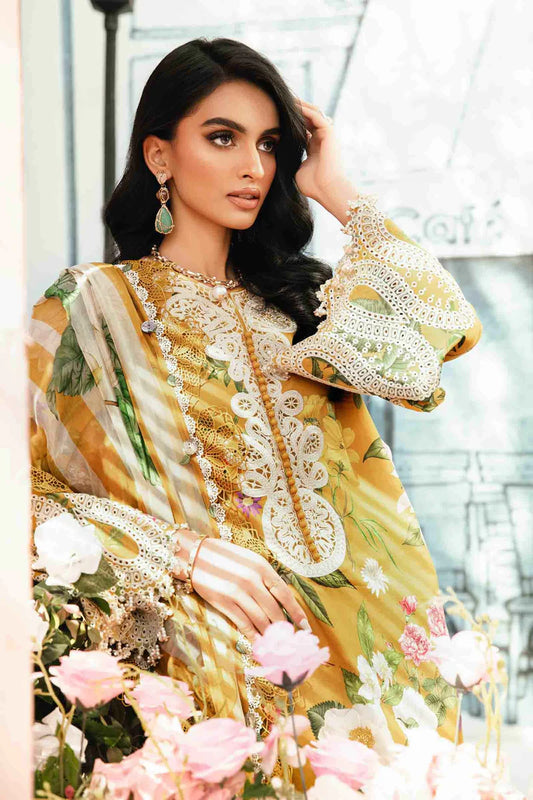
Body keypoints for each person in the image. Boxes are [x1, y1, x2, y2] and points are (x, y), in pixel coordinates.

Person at [28, 37, 483, 786]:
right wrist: (179, 553)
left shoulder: (305, 307)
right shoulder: (93, 306)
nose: (254, 167)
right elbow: (23, 496)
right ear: (159, 155)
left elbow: (446, 327)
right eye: (222, 138)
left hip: (373, 661)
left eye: (269, 144)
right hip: (214, 668)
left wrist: (335, 188)